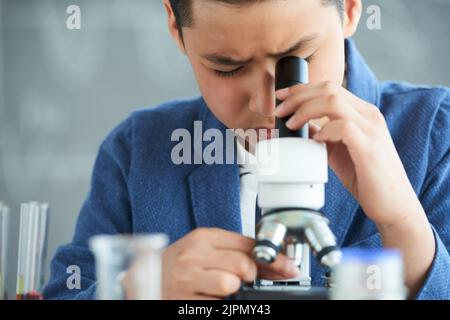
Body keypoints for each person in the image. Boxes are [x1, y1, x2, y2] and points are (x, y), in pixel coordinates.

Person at [44, 0, 450, 300]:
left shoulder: (436, 134)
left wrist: (403, 226)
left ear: (348, 9)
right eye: (227, 68)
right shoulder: (135, 152)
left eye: (299, 60)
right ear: (174, 24)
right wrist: (136, 291)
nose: (264, 103)